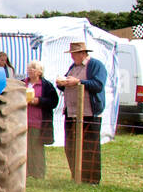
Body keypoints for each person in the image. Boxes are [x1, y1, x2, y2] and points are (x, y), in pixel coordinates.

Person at [57, 40, 106, 184]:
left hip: (89, 113)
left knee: (90, 147)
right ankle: (76, 176)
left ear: (83, 53)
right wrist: (62, 84)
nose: (72, 57)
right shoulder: (73, 67)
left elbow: (98, 85)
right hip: (72, 112)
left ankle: (91, 180)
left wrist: (78, 82)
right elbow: (69, 84)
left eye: (75, 54)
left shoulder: (96, 65)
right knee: (71, 146)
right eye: (72, 54)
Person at [25, 61, 59, 180]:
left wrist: (38, 101)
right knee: (25, 148)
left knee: (36, 148)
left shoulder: (46, 86)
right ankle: (27, 172)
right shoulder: (23, 83)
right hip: (22, 122)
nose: (30, 70)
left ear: (40, 72)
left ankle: (38, 173)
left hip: (38, 122)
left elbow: (53, 102)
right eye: (29, 67)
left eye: (33, 68)